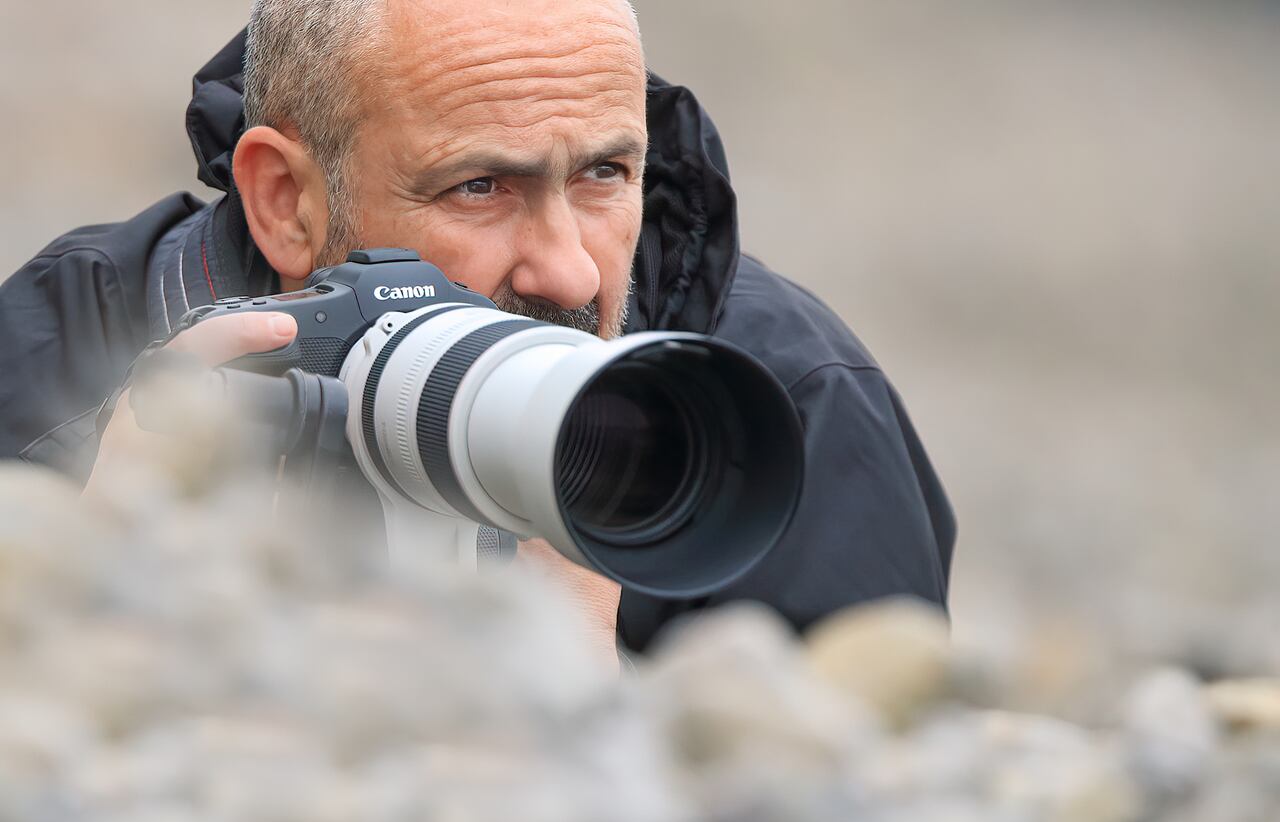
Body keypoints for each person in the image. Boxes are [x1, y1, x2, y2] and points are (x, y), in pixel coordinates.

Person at [0, 0, 955, 654]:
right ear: (285, 200)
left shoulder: (767, 412)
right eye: (481, 186)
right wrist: (91, 578)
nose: (572, 271)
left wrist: (584, 686)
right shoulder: (76, 342)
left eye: (606, 174)